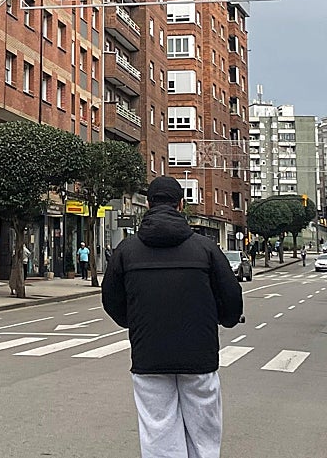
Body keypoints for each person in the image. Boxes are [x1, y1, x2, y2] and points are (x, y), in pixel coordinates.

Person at [102, 176, 243, 458]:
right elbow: (231, 297)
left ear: (149, 205)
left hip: (149, 355)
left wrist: (138, 322)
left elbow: (111, 301)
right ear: (181, 204)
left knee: (158, 431)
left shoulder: (126, 251)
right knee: (204, 433)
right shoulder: (205, 248)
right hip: (199, 356)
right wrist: (226, 319)